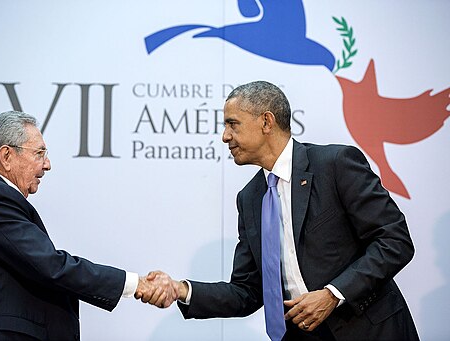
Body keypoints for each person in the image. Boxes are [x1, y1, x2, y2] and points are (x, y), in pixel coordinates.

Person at [149, 81, 419, 340]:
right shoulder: (250, 198)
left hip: (369, 331)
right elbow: (247, 292)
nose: (225, 136)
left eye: (233, 124)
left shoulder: (335, 165)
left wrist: (333, 294)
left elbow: (394, 241)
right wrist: (181, 290)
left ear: (266, 121)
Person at [0, 111, 176, 340]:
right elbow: (51, 266)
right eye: (39, 153)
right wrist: (135, 284)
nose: (47, 164)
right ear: (6, 156)